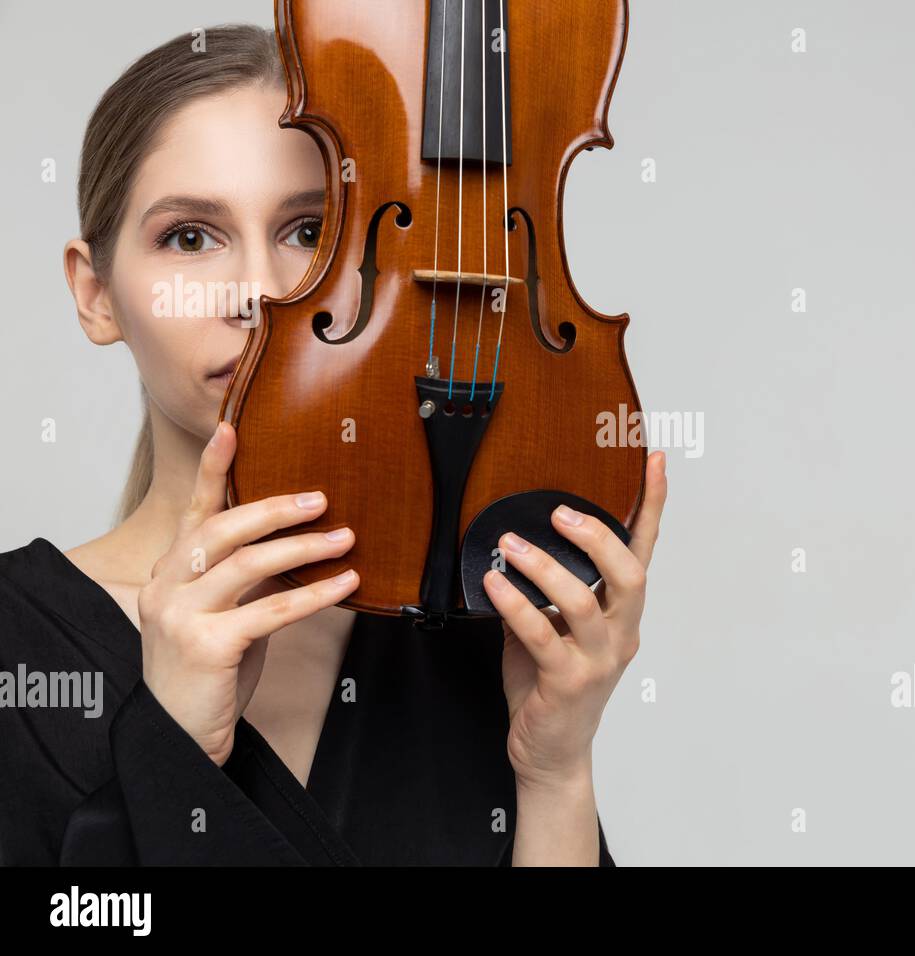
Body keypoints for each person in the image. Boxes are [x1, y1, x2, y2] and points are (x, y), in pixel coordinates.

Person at [0, 24, 666, 866]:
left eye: (311, 231)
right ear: (95, 295)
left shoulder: (467, 629)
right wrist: (170, 757)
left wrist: (556, 771)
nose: (260, 294)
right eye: (191, 237)